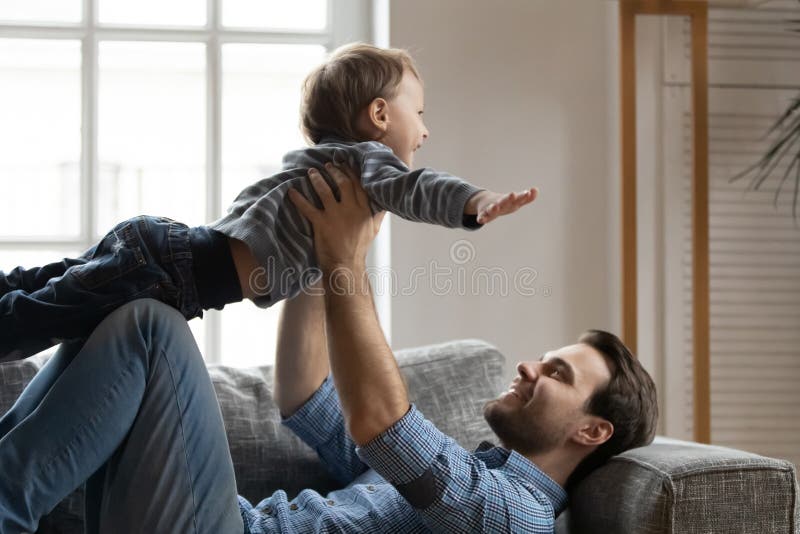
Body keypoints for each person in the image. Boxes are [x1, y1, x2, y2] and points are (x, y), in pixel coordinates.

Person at [0, 164, 658, 533]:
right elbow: (304, 396)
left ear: (592, 429)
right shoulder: (462, 472)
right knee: (116, 312)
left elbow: (383, 426)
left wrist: (345, 257)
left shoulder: (514, 520)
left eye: (557, 372)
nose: (529, 365)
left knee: (151, 325)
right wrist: (326, 253)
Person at [0, 42, 538, 363]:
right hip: (168, 270)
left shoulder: (324, 162)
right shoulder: (365, 164)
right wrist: (476, 203)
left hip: (163, 250)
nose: (425, 128)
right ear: (379, 116)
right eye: (418, 112)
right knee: (39, 318)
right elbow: (420, 189)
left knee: (46, 287)